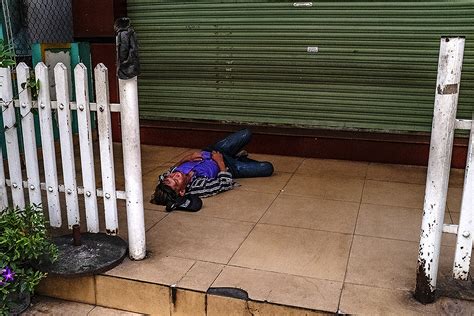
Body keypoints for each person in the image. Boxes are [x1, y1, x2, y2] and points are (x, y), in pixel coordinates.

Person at [150, 129, 273, 211]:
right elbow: (224, 183)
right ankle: (238, 158)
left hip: (213, 151)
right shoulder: (199, 188)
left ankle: (238, 156)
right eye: (176, 180)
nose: (174, 175)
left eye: (170, 177)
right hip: (227, 165)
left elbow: (173, 169)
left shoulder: (164, 180)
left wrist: (187, 158)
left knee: (247, 133)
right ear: (182, 192)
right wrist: (220, 162)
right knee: (268, 168)